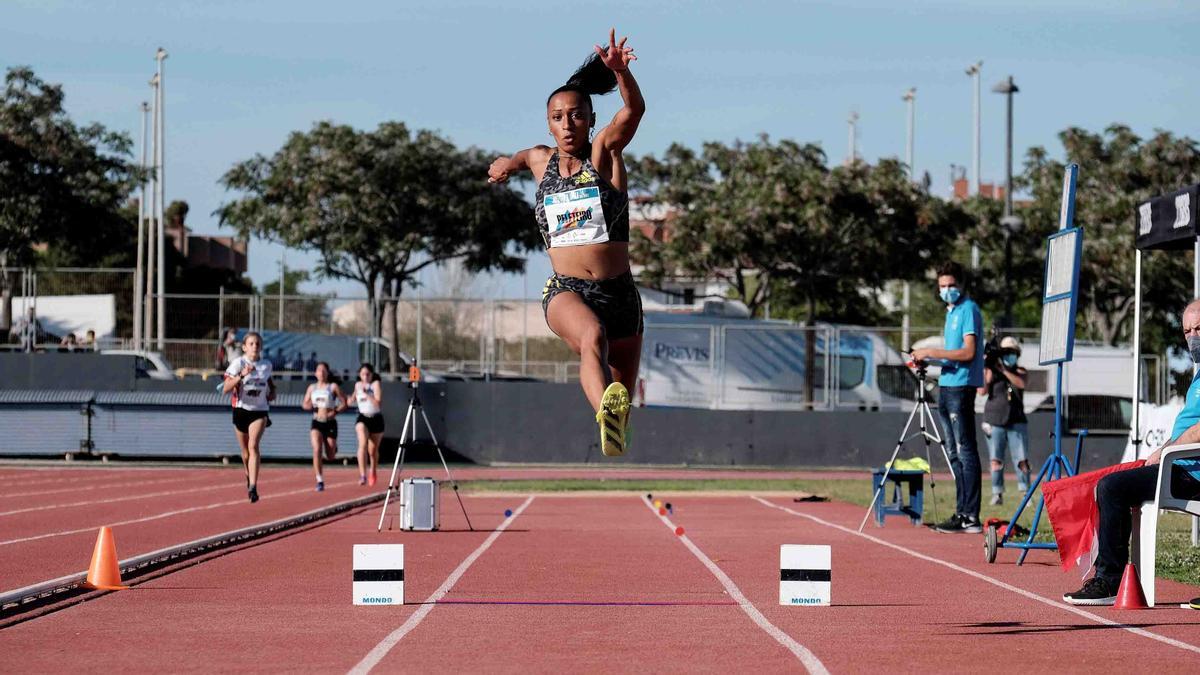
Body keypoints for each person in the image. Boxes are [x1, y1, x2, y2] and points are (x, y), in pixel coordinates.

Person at [487, 28, 644, 457]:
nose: (567, 123)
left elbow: (633, 112)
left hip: (621, 296)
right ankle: (604, 416)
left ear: (591, 120)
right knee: (591, 335)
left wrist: (620, 74)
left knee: (622, 394)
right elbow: (524, 157)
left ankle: (615, 419)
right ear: (549, 123)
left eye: (576, 115)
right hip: (569, 290)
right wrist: (506, 164)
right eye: (558, 116)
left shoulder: (604, 154)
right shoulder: (542, 161)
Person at [1065, 299, 1200, 606]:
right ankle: (1111, 576)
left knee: (1112, 487)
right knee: (1113, 482)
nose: (1193, 337)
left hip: (1188, 470)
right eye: (1187, 330)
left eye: (1199, 329)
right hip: (1179, 466)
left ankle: (1109, 580)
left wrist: (1167, 450)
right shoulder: (1198, 375)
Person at [911, 261, 985, 533]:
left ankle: (971, 516)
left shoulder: (968, 310)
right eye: (942, 286)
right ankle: (961, 511)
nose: (947, 290)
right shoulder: (951, 312)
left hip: (961, 387)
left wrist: (933, 352)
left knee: (966, 450)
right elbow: (955, 355)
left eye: (951, 285)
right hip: (947, 385)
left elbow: (968, 352)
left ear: (961, 284)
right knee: (953, 451)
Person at [222, 331, 275, 503]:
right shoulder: (238, 363)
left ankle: (253, 486)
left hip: (259, 411)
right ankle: (248, 474)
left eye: (257, 343)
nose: (255, 346)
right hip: (241, 410)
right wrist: (242, 375)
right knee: (245, 453)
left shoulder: (266, 365)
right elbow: (225, 388)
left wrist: (272, 392)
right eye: (251, 343)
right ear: (244, 347)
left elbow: (270, 384)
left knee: (253, 446)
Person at [982, 336, 1031, 505]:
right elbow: (982, 390)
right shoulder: (992, 371)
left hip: (1016, 420)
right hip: (994, 419)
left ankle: (1025, 492)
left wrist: (1003, 370)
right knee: (996, 459)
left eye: (1012, 352)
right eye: (1006, 352)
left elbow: (1021, 384)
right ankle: (997, 493)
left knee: (1022, 459)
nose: (1009, 355)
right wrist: (987, 366)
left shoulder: (1020, 371)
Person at [302, 361, 347, 492]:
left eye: (323, 370)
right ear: (315, 373)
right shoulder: (312, 388)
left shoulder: (332, 387)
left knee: (331, 455)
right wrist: (308, 405)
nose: (321, 373)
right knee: (316, 449)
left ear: (327, 373)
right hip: (316, 421)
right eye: (318, 370)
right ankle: (319, 480)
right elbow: (304, 403)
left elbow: (344, 402)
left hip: (330, 422)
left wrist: (336, 411)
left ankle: (333, 447)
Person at [351, 363, 384, 486]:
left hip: (376, 418)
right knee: (362, 443)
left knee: (373, 450)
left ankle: (373, 471)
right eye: (362, 374)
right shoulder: (358, 385)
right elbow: (352, 399)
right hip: (363, 417)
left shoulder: (375, 385)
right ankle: (362, 475)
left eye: (367, 374)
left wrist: (366, 394)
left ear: (371, 375)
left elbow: (378, 403)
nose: (365, 376)